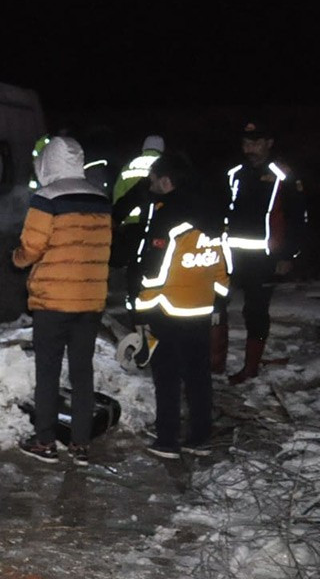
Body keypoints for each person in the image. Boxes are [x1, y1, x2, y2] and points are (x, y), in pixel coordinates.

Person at [12, 136, 112, 466]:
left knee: (48, 372)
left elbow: (32, 247)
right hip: (90, 301)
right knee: (82, 373)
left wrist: (17, 258)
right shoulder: (100, 198)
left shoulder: (47, 197)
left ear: (48, 163)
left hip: (53, 302)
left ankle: (46, 442)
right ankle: (81, 445)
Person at [132, 153, 228, 458]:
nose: (150, 186)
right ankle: (200, 438)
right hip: (199, 310)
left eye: (152, 181)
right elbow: (223, 267)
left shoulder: (169, 216)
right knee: (199, 377)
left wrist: (141, 308)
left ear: (166, 180)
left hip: (167, 309)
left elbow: (154, 273)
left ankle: (167, 440)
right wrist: (217, 303)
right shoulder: (212, 215)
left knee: (167, 377)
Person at [222, 121, 307, 384]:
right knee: (216, 304)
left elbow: (297, 218)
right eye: (246, 143)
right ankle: (214, 361)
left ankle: (251, 366)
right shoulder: (235, 173)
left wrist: (287, 256)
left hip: (264, 258)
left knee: (255, 311)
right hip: (230, 254)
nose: (251, 149)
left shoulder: (283, 175)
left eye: (256, 143)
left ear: (269, 143)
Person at [111, 135, 165, 315]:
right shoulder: (165, 165)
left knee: (135, 263)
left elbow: (119, 194)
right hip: (156, 224)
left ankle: (134, 302)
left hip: (131, 225)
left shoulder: (130, 166)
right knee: (156, 263)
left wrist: (118, 220)